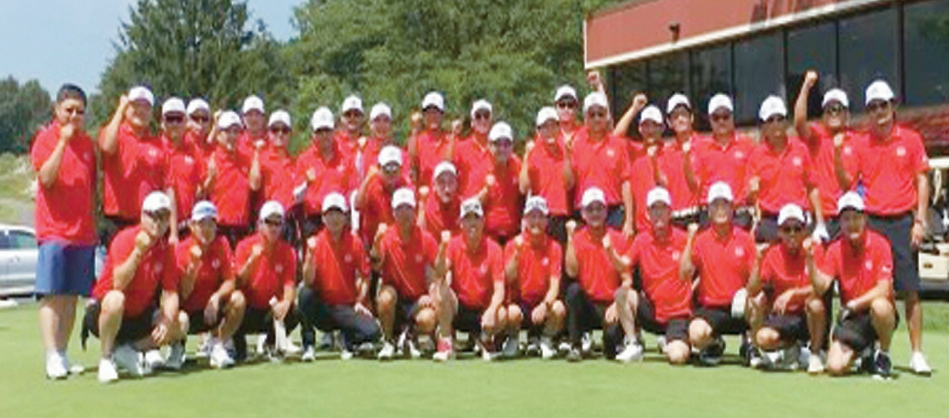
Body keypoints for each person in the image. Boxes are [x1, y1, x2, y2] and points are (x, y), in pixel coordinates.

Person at [838, 80, 931, 375]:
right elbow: (846, 183)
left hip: (903, 220)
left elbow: (922, 179)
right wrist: (839, 157)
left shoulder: (912, 140)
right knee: (874, 291)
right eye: (873, 107)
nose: (879, 111)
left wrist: (920, 220)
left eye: (883, 105)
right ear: (868, 111)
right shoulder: (859, 144)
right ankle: (873, 348)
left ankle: (916, 353)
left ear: (893, 106)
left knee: (910, 290)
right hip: (872, 222)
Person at [32, 84, 97, 379]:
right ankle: (51, 356)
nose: (74, 116)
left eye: (80, 111)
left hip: (82, 233)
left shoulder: (87, 145)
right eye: (68, 110)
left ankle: (62, 352)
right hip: (53, 233)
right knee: (52, 295)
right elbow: (46, 177)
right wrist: (62, 142)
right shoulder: (45, 139)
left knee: (71, 297)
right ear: (57, 110)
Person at [83, 192, 182, 383]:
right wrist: (138, 252)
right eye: (153, 216)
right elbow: (119, 282)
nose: (158, 222)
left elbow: (171, 292)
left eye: (164, 217)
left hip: (138, 314)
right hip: (105, 311)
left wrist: (167, 321)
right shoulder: (125, 238)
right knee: (116, 299)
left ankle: (127, 350)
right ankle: (106, 358)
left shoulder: (166, 248)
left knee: (181, 322)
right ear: (143, 216)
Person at [815, 192, 897, 377]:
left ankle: (883, 355)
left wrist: (854, 304)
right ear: (840, 223)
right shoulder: (835, 249)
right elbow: (822, 286)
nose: (852, 224)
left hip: (870, 310)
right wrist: (811, 262)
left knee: (880, 307)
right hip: (854, 318)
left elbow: (884, 289)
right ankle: (865, 352)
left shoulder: (880, 244)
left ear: (865, 218)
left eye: (856, 218)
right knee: (835, 367)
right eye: (846, 219)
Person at [680, 182, 756, 366]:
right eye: (715, 205)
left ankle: (752, 344)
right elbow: (684, 274)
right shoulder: (701, 240)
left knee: (759, 301)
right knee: (696, 334)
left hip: (739, 306)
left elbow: (756, 279)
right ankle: (714, 344)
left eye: (725, 204)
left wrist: (747, 293)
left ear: (732, 208)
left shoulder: (745, 239)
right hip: (712, 307)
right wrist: (690, 239)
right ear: (709, 210)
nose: (720, 209)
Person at [299, 193, 380, 360]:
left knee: (373, 331)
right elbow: (308, 280)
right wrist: (310, 257)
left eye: (338, 213)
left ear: (345, 217)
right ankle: (308, 344)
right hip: (323, 308)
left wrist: (360, 301)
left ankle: (347, 338)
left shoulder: (354, 241)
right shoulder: (316, 243)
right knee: (304, 294)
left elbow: (366, 276)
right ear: (323, 218)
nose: (334, 218)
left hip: (346, 307)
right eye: (330, 214)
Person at [746, 203, 827, 373]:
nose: (792, 234)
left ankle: (815, 354)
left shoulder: (815, 250)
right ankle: (792, 347)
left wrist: (793, 293)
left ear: (804, 231)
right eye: (787, 229)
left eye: (797, 229)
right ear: (779, 232)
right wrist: (758, 261)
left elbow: (820, 289)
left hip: (808, 316)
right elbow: (752, 290)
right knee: (763, 338)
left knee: (815, 304)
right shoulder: (772, 254)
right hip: (784, 316)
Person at [563, 187, 638, 362]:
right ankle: (575, 345)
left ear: (606, 211)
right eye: (590, 209)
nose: (595, 213)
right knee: (573, 291)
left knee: (611, 348)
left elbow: (627, 279)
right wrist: (569, 238)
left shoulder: (619, 238)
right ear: (582, 213)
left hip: (610, 306)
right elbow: (571, 271)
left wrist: (617, 305)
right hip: (588, 305)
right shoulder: (577, 239)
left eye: (599, 208)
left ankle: (614, 340)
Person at [620, 187, 692, 365]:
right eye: (654, 209)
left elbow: (699, 270)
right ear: (648, 214)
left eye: (663, 208)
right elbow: (623, 265)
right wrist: (609, 252)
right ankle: (633, 344)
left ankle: (676, 343)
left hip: (678, 315)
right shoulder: (642, 239)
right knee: (622, 294)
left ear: (670, 212)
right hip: (653, 313)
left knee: (677, 358)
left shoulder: (684, 239)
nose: (659, 214)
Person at [170, 201, 245, 369]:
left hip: (210, 311)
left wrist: (216, 297)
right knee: (177, 314)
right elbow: (182, 293)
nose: (207, 229)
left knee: (238, 299)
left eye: (211, 223)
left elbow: (230, 280)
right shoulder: (181, 250)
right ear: (191, 225)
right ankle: (177, 347)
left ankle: (217, 344)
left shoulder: (222, 244)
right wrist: (192, 268)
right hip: (186, 313)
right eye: (201, 223)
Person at [432, 198, 507, 362]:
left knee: (501, 314)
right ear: (460, 223)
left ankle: (485, 340)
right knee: (442, 289)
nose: (472, 223)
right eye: (467, 218)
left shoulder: (494, 249)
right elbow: (439, 271)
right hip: (460, 308)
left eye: (476, 217)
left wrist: (492, 309)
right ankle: (446, 342)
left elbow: (500, 288)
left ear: (483, 221)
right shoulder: (452, 245)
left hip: (483, 311)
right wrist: (442, 247)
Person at [371, 188, 439, 360]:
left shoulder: (426, 239)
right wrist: (377, 240)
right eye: (400, 209)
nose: (404, 213)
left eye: (408, 208)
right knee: (386, 298)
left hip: (417, 299)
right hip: (396, 299)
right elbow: (376, 264)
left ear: (414, 210)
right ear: (393, 212)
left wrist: (431, 295)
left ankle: (409, 335)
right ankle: (389, 342)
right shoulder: (386, 236)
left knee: (428, 319)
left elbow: (436, 273)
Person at [747, 96, 824, 243]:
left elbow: (812, 187)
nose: (776, 124)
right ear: (763, 127)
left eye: (779, 119)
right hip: (771, 221)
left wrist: (820, 223)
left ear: (786, 123)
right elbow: (750, 198)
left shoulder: (801, 149)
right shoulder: (756, 156)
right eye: (770, 120)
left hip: (798, 219)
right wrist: (751, 192)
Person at [98, 85, 167, 247]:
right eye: (135, 105)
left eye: (146, 107)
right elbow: (107, 146)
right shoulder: (115, 133)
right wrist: (120, 109)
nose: (140, 111)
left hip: (148, 220)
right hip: (117, 220)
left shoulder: (158, 144)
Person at [793, 71, 858, 240]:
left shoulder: (855, 142)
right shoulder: (816, 136)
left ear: (846, 114)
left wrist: (837, 154)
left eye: (838, 109)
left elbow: (847, 184)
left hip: (844, 217)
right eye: (829, 110)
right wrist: (806, 87)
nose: (833, 113)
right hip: (818, 217)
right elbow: (799, 122)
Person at [232, 201, 297, 361]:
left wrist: (286, 302)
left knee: (294, 311)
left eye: (278, 223)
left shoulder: (288, 251)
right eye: (269, 222)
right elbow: (238, 283)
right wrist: (251, 262)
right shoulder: (244, 246)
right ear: (259, 224)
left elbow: (289, 284)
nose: (274, 228)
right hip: (247, 310)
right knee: (235, 301)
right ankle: (237, 347)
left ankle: (270, 343)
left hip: (269, 309)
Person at [503, 196, 566, 359]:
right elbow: (508, 279)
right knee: (511, 313)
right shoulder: (513, 245)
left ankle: (545, 339)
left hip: (543, 302)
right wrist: (516, 256)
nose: (536, 221)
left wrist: (545, 306)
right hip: (521, 303)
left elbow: (554, 286)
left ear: (547, 221)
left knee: (558, 309)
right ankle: (513, 339)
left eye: (540, 217)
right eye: (532, 216)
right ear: (525, 219)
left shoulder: (555, 247)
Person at [564, 92, 633, 232]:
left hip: (613, 213)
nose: (596, 118)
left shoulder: (618, 145)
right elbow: (568, 183)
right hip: (585, 213)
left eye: (600, 114)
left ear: (607, 117)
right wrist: (567, 155)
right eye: (592, 114)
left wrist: (629, 220)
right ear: (585, 118)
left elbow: (626, 182)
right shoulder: (575, 144)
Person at [693, 94, 755, 229]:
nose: (721, 121)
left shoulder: (747, 146)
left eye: (725, 116)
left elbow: (750, 183)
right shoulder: (700, 148)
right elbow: (697, 185)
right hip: (710, 214)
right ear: (710, 120)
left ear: (732, 117)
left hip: (738, 214)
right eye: (716, 117)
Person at [295, 107, 357, 238]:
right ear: (313, 134)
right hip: (314, 220)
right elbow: (296, 198)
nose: (324, 135)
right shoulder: (304, 159)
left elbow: (353, 193)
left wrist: (355, 226)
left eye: (327, 130)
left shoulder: (346, 157)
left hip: (340, 217)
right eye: (319, 131)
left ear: (334, 131)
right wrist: (306, 183)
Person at [204, 111, 261, 247]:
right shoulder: (211, 159)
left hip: (242, 227)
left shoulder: (247, 158)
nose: (232, 136)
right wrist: (211, 177)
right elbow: (203, 191)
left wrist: (256, 154)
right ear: (219, 135)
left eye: (236, 132)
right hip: (218, 227)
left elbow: (255, 185)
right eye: (227, 131)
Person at [520, 107, 571, 244]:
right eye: (545, 127)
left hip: (561, 216)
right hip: (539, 217)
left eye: (553, 126)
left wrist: (567, 155)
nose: (550, 131)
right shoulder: (533, 152)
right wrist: (526, 157)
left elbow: (569, 184)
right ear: (538, 131)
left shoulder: (565, 149)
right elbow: (523, 188)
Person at [160, 97, 203, 243]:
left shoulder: (193, 150)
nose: (174, 124)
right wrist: (173, 233)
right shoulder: (156, 148)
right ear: (162, 123)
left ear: (185, 122)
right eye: (170, 119)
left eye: (178, 119)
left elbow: (199, 190)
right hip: (160, 227)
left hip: (187, 227)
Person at [354, 145, 413, 246]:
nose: (391, 173)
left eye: (395, 168)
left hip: (398, 243)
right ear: (379, 168)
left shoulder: (406, 185)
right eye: (387, 169)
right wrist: (367, 179)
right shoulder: (372, 185)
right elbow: (358, 205)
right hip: (373, 242)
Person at [662, 93, 705, 228]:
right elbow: (664, 184)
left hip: (697, 215)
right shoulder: (665, 152)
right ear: (669, 122)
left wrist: (686, 160)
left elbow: (696, 187)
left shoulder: (705, 146)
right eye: (675, 116)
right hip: (674, 218)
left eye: (684, 115)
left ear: (691, 118)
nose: (680, 119)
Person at [477, 122, 523, 245]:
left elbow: (524, 192)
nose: (502, 149)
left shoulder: (517, 164)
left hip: (513, 234)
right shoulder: (481, 168)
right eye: (497, 144)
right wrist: (486, 190)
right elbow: (473, 204)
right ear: (489, 145)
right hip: (488, 236)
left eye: (506, 144)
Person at [258, 110, 298, 243]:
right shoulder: (261, 159)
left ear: (290, 134)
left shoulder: (295, 163)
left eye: (285, 130)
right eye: (275, 130)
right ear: (268, 133)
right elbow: (254, 185)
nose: (280, 134)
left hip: (288, 221)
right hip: (268, 221)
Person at [409, 92, 452, 188]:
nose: (432, 116)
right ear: (424, 116)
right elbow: (412, 164)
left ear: (442, 114)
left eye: (436, 112)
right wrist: (415, 129)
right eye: (429, 112)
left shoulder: (450, 141)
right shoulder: (418, 141)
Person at [454, 99, 494, 199]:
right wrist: (453, 134)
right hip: (467, 209)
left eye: (486, 116)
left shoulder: (499, 149)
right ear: (472, 122)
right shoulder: (460, 147)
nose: (482, 120)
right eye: (478, 116)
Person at [418, 161, 462, 238]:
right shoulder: (427, 206)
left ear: (456, 184)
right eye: (441, 183)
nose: (447, 189)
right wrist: (422, 206)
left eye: (451, 182)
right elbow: (420, 234)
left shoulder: (462, 207)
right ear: (434, 186)